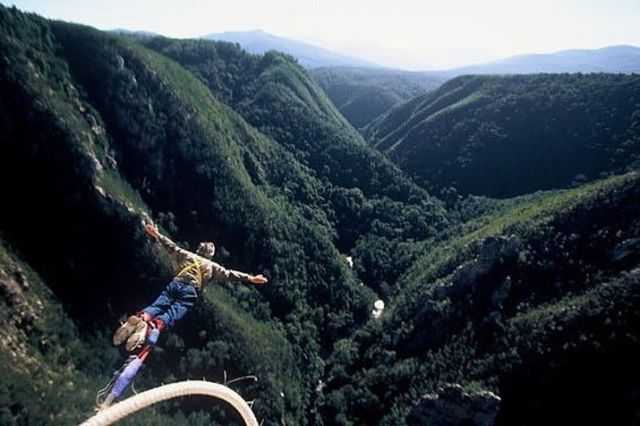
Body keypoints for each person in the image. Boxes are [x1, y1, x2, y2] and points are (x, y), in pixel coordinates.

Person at [113, 221, 268, 352]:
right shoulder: (213, 267)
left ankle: (142, 317)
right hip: (190, 292)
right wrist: (251, 278)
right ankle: (149, 328)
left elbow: (171, 246)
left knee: (158, 304)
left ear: (198, 250)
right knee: (172, 313)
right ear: (210, 255)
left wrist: (157, 234)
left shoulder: (186, 255)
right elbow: (230, 275)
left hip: (176, 283)